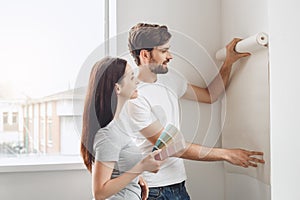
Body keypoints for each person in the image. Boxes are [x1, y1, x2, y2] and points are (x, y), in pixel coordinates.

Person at [123, 23, 265, 199]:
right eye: (163, 51)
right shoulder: (135, 97)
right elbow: (171, 147)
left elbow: (210, 94)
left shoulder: (170, 79)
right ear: (145, 54)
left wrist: (228, 62)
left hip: (178, 183)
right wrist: (226, 154)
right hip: (153, 190)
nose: (170, 56)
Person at [80, 57, 163, 200]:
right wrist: (140, 168)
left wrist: (135, 178)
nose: (136, 81)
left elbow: (118, 168)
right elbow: (99, 193)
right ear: (117, 88)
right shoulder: (108, 134)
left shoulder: (120, 123)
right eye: (131, 78)